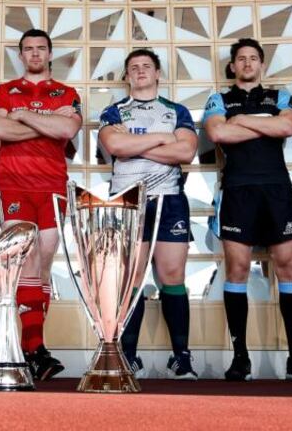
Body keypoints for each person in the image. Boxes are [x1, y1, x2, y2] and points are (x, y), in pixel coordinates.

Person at [203, 39, 292, 382]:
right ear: (232, 66)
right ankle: (240, 358)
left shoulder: (281, 96)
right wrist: (259, 124)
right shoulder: (219, 99)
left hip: (277, 190)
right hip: (238, 190)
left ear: (261, 65)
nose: (247, 63)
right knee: (238, 270)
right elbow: (217, 132)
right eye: (240, 59)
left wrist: (241, 120)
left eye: (253, 58)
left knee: (288, 267)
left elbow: (286, 127)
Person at [0, 29, 81, 380]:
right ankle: (35, 348)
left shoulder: (67, 92)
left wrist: (22, 116)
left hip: (52, 186)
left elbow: (68, 131)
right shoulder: (4, 90)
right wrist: (47, 123)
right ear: (21, 55)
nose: (35, 54)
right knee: (25, 262)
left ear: (50, 53)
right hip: (14, 185)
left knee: (43, 263)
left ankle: (31, 350)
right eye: (29, 49)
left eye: (41, 48)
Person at [99, 48, 198, 379]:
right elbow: (116, 148)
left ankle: (181, 357)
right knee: (132, 278)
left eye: (146, 66)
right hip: (128, 200)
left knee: (173, 276)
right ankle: (128, 357)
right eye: (133, 68)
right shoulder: (114, 111)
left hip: (169, 199)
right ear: (127, 76)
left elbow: (185, 150)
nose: (140, 71)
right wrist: (160, 141)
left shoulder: (176, 110)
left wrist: (137, 145)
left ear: (158, 74)